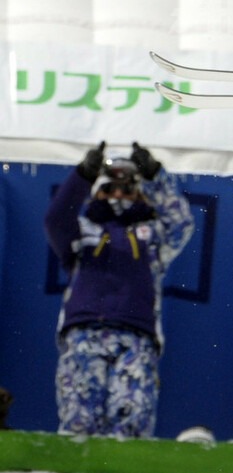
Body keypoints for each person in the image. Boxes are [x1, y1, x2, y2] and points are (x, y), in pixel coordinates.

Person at [43, 141, 193, 437]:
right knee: (79, 425)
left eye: (127, 189)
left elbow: (181, 223)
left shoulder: (153, 237)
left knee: (132, 424)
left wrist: (155, 176)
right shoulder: (81, 233)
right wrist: (83, 175)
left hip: (137, 339)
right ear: (96, 192)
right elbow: (55, 219)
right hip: (83, 336)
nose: (118, 195)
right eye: (109, 188)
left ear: (139, 193)